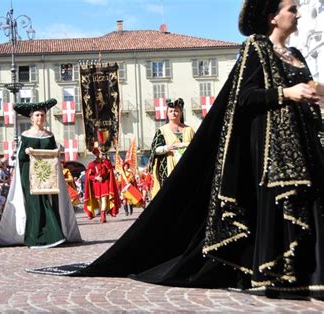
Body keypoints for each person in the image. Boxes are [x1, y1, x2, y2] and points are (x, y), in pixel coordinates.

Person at [30, 0, 323, 300]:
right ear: (273, 16)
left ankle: (311, 273)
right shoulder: (256, 48)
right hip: (266, 150)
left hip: (304, 144)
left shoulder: (297, 55)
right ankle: (279, 271)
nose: (298, 13)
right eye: (291, 8)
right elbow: (243, 97)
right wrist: (286, 93)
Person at [0, 99, 82, 248]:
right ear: (31, 118)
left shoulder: (49, 135)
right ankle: (35, 237)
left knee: (49, 202)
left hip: (48, 174)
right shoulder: (26, 135)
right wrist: (27, 152)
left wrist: (57, 153)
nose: (40, 118)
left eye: (42, 115)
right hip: (30, 175)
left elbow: (55, 154)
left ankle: (54, 235)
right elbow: (20, 157)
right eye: (37, 115)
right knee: (34, 204)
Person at [148, 98, 195, 198]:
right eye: (171, 111)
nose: (174, 113)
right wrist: (166, 148)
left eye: (176, 111)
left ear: (181, 113)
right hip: (168, 170)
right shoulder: (162, 130)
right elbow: (154, 150)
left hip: (187, 170)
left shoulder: (189, 130)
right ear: (167, 114)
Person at [83, 146, 120, 223]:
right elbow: (89, 175)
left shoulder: (106, 162)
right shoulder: (92, 164)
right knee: (99, 201)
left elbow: (110, 170)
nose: (100, 154)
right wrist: (96, 178)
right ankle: (103, 214)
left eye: (101, 153)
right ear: (96, 154)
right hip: (96, 185)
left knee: (104, 200)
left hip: (105, 184)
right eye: (98, 153)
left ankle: (102, 217)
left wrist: (104, 160)